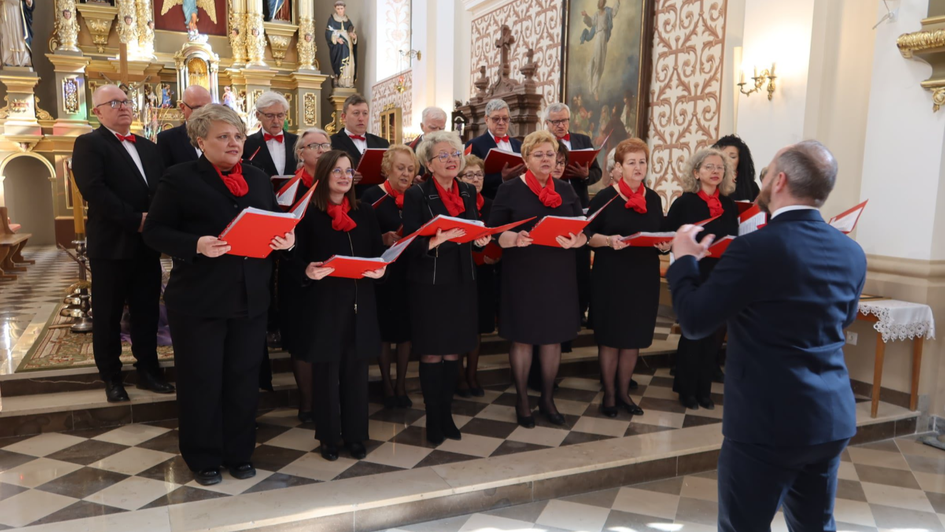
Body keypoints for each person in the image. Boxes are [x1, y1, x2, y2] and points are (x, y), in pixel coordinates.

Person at [667, 140, 865, 532]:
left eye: (766, 170)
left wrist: (683, 260)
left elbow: (694, 321)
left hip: (766, 422)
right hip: (829, 418)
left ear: (780, 180)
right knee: (815, 526)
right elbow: (844, 319)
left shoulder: (755, 248)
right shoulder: (850, 251)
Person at [142, 104, 295, 485]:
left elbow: (274, 223)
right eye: (223, 136)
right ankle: (203, 457)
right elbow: (154, 232)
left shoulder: (259, 179)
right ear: (200, 141)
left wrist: (286, 240)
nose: (234, 143)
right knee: (202, 380)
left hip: (249, 298)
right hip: (200, 300)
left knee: (243, 379)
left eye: (238, 136)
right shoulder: (178, 178)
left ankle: (239, 452)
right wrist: (196, 243)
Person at [72, 85, 174, 403]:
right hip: (112, 244)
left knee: (146, 311)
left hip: (146, 245)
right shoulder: (89, 144)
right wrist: (136, 220)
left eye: (127, 102)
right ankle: (112, 377)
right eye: (114, 103)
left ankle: (147, 370)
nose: (124, 107)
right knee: (108, 314)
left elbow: (161, 187)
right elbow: (94, 190)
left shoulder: (148, 146)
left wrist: (154, 219)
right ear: (98, 111)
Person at [290, 150, 385, 462]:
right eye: (337, 171)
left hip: (360, 303)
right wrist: (306, 270)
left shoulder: (365, 212)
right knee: (327, 375)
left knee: (357, 374)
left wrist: (381, 268)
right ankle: (329, 437)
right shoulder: (306, 214)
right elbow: (292, 258)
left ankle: (356, 436)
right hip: (323, 305)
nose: (345, 177)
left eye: (348, 171)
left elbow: (377, 254)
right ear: (324, 175)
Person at [489, 130, 586, 428]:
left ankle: (547, 398)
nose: (547, 159)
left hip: (558, 273)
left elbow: (583, 230)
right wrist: (513, 237)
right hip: (523, 273)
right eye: (539, 154)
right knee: (523, 338)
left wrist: (577, 240)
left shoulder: (566, 189)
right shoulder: (509, 190)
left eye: (551, 154)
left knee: (552, 338)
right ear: (526, 158)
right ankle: (522, 399)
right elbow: (493, 232)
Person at [402, 130, 491, 444]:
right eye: (444, 155)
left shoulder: (467, 191)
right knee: (432, 354)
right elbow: (408, 246)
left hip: (463, 280)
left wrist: (482, 240)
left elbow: (474, 236)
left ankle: (447, 414)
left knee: (453, 352)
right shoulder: (416, 195)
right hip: (430, 284)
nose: (452, 159)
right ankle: (432, 419)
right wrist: (435, 240)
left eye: (455, 154)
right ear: (429, 162)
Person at [585, 138, 667, 417]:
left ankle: (624, 394)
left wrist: (665, 245)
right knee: (610, 338)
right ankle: (608, 396)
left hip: (643, 277)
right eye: (631, 162)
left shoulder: (654, 199)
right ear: (618, 167)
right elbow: (586, 237)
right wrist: (608, 241)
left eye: (642, 161)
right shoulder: (605, 197)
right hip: (612, 277)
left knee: (633, 338)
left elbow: (661, 232)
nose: (638, 167)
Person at [664, 148, 738, 410]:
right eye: (709, 167)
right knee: (693, 333)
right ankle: (686, 390)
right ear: (696, 172)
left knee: (714, 336)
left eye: (720, 167)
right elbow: (669, 236)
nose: (716, 171)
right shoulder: (685, 203)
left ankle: (704, 389)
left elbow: (733, 237)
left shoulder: (729, 205)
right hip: (693, 273)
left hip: (719, 274)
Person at [361, 145, 418, 408]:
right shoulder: (370, 196)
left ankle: (401, 384)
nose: (405, 173)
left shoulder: (417, 196)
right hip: (384, 275)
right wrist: (381, 239)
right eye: (400, 168)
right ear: (387, 168)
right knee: (385, 331)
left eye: (410, 169)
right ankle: (386, 384)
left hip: (410, 272)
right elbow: (361, 237)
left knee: (406, 332)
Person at [281, 127, 331, 423]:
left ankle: (326, 398)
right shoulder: (291, 188)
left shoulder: (338, 183)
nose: (323, 150)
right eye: (316, 146)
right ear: (301, 153)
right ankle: (308, 404)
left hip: (331, 272)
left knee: (326, 334)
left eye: (327, 145)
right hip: (297, 269)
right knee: (303, 337)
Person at [545, 102, 602, 328]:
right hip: (549, 204)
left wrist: (586, 174)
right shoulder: (541, 142)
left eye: (564, 120)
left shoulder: (582, 141)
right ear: (546, 124)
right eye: (556, 121)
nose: (561, 125)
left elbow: (597, 172)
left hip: (576, 205)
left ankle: (580, 310)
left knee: (580, 261)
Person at [456, 154, 495, 397]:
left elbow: (498, 233)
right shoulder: (456, 203)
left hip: (485, 272)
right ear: (459, 178)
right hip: (461, 271)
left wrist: (495, 253)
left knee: (478, 326)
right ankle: (459, 375)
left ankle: (473, 374)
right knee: (462, 325)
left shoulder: (491, 204)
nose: (475, 179)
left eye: (478, 174)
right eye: (469, 174)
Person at [330, 93, 390, 196]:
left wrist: (388, 173)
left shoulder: (382, 143)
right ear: (344, 117)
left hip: (378, 198)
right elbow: (325, 173)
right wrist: (345, 176)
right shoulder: (331, 143)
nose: (361, 118)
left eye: (365, 113)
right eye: (356, 113)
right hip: (348, 199)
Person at [465, 99, 525, 199]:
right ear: (486, 119)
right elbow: (469, 178)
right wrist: (501, 177)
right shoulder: (474, 144)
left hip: (517, 198)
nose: (501, 123)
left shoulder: (519, 145)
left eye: (505, 118)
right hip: (490, 200)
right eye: (496, 119)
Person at [243, 92, 298, 178]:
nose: (276, 121)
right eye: (270, 115)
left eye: (280, 115)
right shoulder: (246, 143)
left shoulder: (298, 142)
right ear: (258, 115)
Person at [157, 85, 213, 169]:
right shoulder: (167, 139)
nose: (203, 114)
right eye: (197, 108)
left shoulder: (221, 135)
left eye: (208, 108)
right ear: (183, 108)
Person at [581, 0, 620, 101]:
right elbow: (590, 23)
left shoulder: (607, 12)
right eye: (600, 1)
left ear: (604, 3)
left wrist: (618, 1)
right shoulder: (596, 15)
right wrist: (586, 16)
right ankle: (595, 89)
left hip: (604, 39)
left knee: (601, 64)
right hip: (599, 37)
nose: (600, 3)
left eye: (602, 1)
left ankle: (595, 87)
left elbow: (614, 11)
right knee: (598, 63)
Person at [714, 134, 759, 201]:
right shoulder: (711, 182)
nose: (727, 160)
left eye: (732, 157)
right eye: (722, 156)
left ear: (740, 160)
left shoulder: (751, 186)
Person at [325, 1, 357, 87]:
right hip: (339, 46)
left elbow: (351, 30)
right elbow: (328, 33)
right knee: (341, 61)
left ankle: (349, 82)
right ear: (335, 9)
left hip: (348, 44)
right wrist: (336, 39)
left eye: (341, 9)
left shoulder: (348, 20)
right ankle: (341, 81)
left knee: (350, 61)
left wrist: (353, 36)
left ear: (344, 9)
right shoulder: (332, 19)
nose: (340, 11)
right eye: (338, 9)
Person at [409, 106, 448, 176]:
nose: (437, 132)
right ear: (422, 126)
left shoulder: (450, 149)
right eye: (433, 128)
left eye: (441, 128)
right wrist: (412, 178)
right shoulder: (409, 149)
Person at [1, 0, 33, 67]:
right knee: (7, 35)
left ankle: (23, 59)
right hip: (6, 8)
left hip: (19, 9)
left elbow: (30, 4)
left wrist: (29, 2)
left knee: (20, 35)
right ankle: (9, 59)